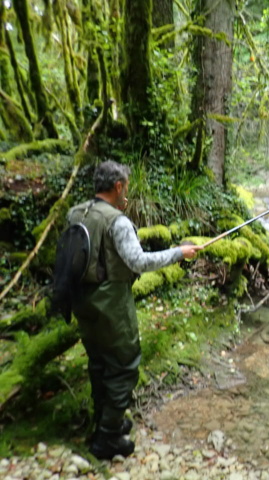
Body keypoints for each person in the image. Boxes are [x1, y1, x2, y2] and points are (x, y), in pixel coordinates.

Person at [68, 160, 201, 460]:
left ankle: (105, 420)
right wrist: (180, 253)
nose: (126, 191)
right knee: (124, 365)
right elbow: (139, 262)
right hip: (110, 303)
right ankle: (108, 439)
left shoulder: (75, 213)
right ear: (118, 187)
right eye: (125, 186)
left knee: (99, 362)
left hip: (81, 301)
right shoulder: (118, 222)